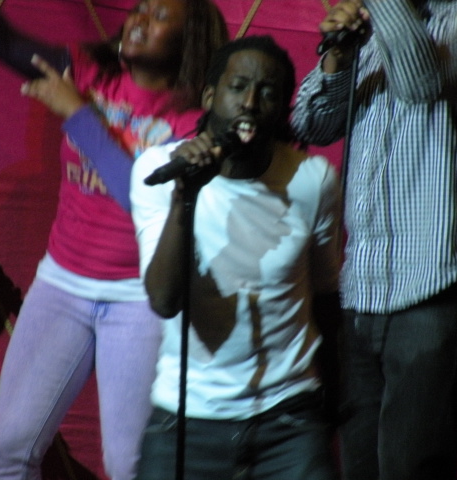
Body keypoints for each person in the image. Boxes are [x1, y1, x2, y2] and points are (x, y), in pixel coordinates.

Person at [0, 0, 229, 478]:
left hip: (139, 300)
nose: (139, 18)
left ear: (189, 40)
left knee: (128, 465)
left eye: (159, 17)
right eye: (140, 9)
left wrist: (78, 115)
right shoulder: (89, 72)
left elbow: (140, 197)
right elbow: (3, 40)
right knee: (10, 450)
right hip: (61, 285)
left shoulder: (196, 123)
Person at [291, 1, 457, 479]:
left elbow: (423, 81)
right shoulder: (385, 27)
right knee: (358, 466)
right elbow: (309, 123)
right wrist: (339, 58)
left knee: (412, 467)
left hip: (442, 285)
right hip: (365, 289)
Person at [130, 35, 342, 480]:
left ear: (282, 109)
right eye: (238, 86)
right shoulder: (160, 170)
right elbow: (165, 300)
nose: (249, 102)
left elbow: (327, 296)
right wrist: (184, 197)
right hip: (187, 417)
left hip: (289, 419)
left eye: (267, 92)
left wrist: (337, 405)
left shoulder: (312, 180)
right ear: (210, 95)